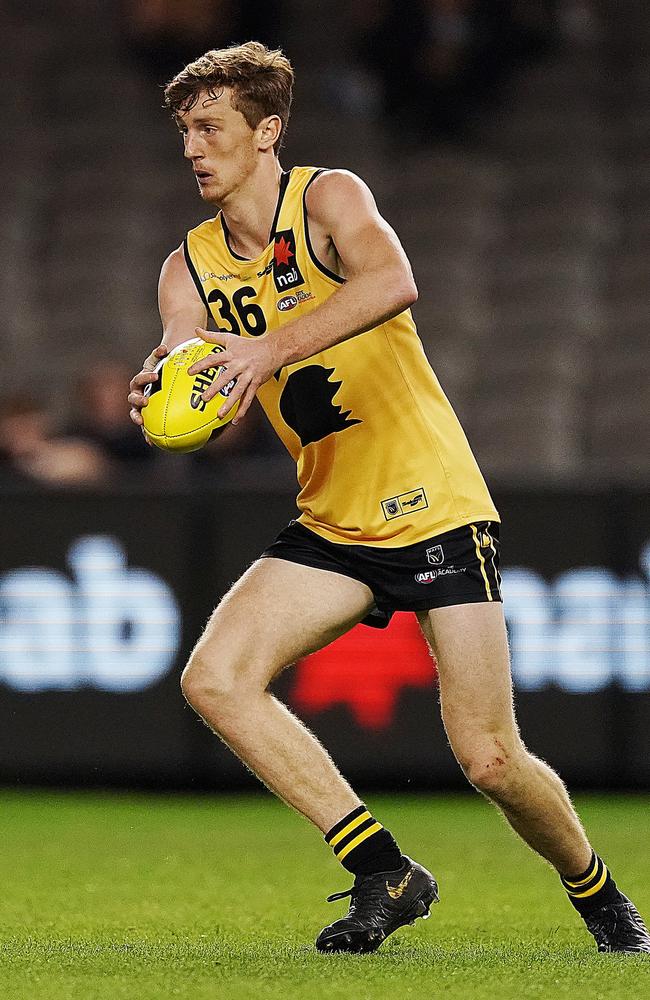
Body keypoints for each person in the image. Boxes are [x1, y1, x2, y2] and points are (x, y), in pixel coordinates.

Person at [127, 41, 649, 955]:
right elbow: (194, 364)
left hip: (435, 506)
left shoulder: (328, 199)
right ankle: (384, 871)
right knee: (215, 678)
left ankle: (600, 898)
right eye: (185, 131)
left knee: (490, 758)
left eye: (210, 128)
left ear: (268, 132)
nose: (193, 149)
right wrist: (166, 392)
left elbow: (395, 281)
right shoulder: (188, 268)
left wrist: (267, 348)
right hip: (335, 520)